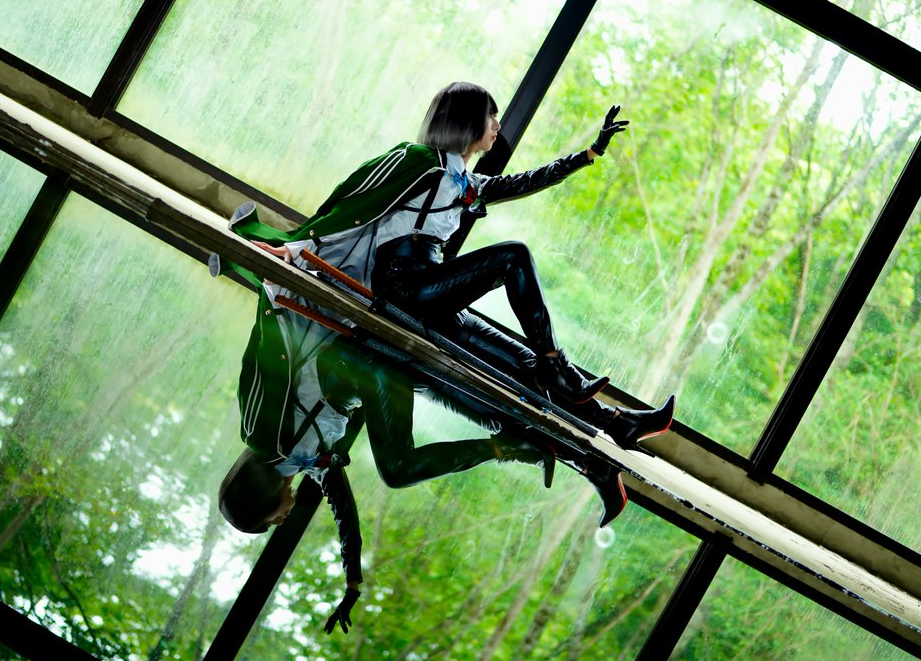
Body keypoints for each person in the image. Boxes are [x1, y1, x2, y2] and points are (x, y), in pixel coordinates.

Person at [220, 81, 674, 450]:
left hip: (433, 290)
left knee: (522, 363)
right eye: (490, 116)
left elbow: (527, 181)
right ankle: (558, 365)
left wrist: (590, 153)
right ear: (467, 121)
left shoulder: (465, 181)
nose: (497, 125)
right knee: (512, 257)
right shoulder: (418, 161)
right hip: (404, 286)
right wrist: (299, 249)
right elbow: (353, 204)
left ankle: (618, 424)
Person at [217, 286, 553, 635]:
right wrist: (352, 582)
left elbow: (268, 366)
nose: (279, 521)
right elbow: (343, 511)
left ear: (261, 499)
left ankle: (507, 448)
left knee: (396, 470)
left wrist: (272, 297)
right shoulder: (305, 461)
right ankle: (518, 447)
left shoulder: (275, 442)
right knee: (492, 417)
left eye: (270, 520)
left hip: (365, 362)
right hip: (371, 374)